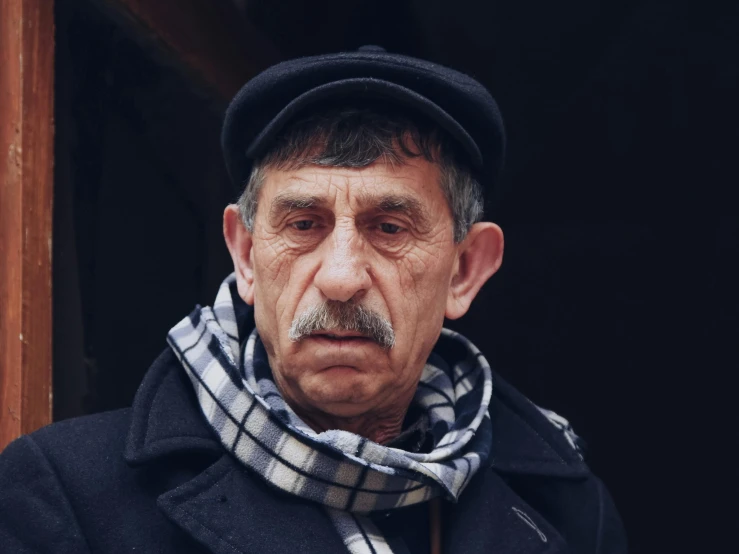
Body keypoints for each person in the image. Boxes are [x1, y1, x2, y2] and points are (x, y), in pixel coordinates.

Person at [0, 46, 627, 553]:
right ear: (245, 255)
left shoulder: (569, 513)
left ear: (464, 270)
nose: (342, 277)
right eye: (303, 224)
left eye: (390, 227)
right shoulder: (69, 498)